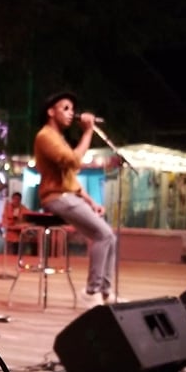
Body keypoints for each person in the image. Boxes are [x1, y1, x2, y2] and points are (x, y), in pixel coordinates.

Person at [33, 90, 117, 308]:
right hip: (56, 197)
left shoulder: (58, 138)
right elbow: (72, 161)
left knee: (110, 237)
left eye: (72, 109)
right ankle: (91, 291)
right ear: (51, 112)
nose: (71, 113)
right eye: (66, 108)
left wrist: (91, 202)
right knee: (103, 234)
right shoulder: (45, 136)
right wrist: (88, 132)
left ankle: (105, 293)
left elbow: (71, 179)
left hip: (68, 195)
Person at [1, 191, 28, 256]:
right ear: (12, 199)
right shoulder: (7, 208)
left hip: (20, 237)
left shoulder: (24, 209)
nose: (16, 201)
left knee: (19, 254)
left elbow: (27, 221)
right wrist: (12, 222)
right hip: (9, 237)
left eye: (18, 199)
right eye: (15, 199)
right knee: (9, 254)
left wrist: (19, 224)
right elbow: (5, 221)